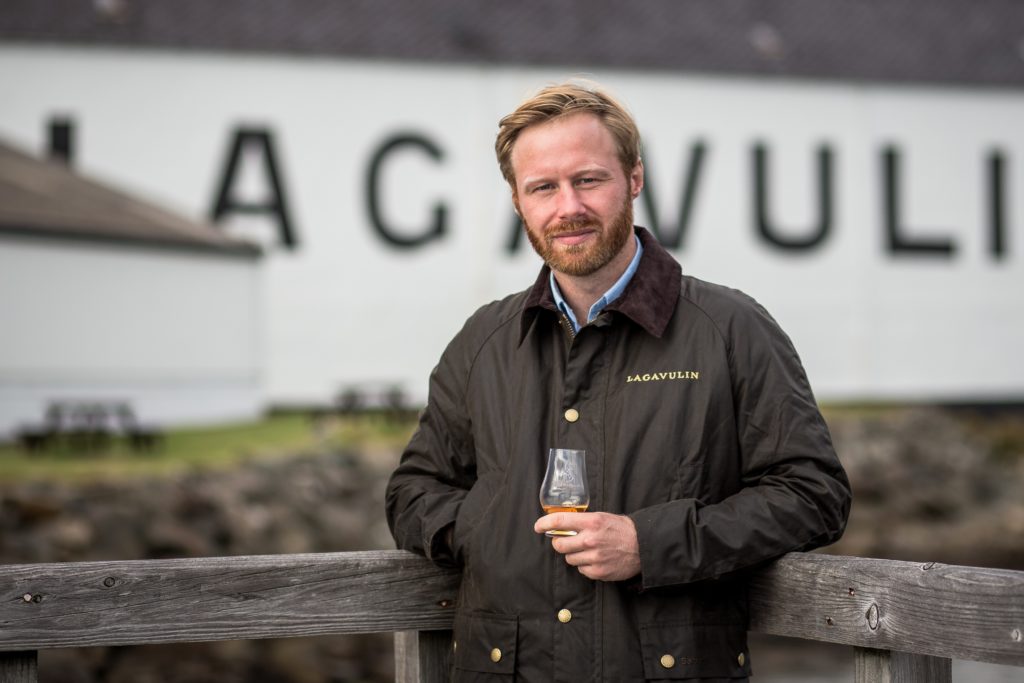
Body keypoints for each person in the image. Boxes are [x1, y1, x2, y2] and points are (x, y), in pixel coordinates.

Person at [386, 80, 851, 682]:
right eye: (543, 187)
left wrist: (651, 543)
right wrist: (493, 533)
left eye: (589, 179)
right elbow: (414, 492)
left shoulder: (732, 329)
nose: (567, 207)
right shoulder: (483, 342)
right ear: (517, 200)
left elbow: (814, 494)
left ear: (634, 178)